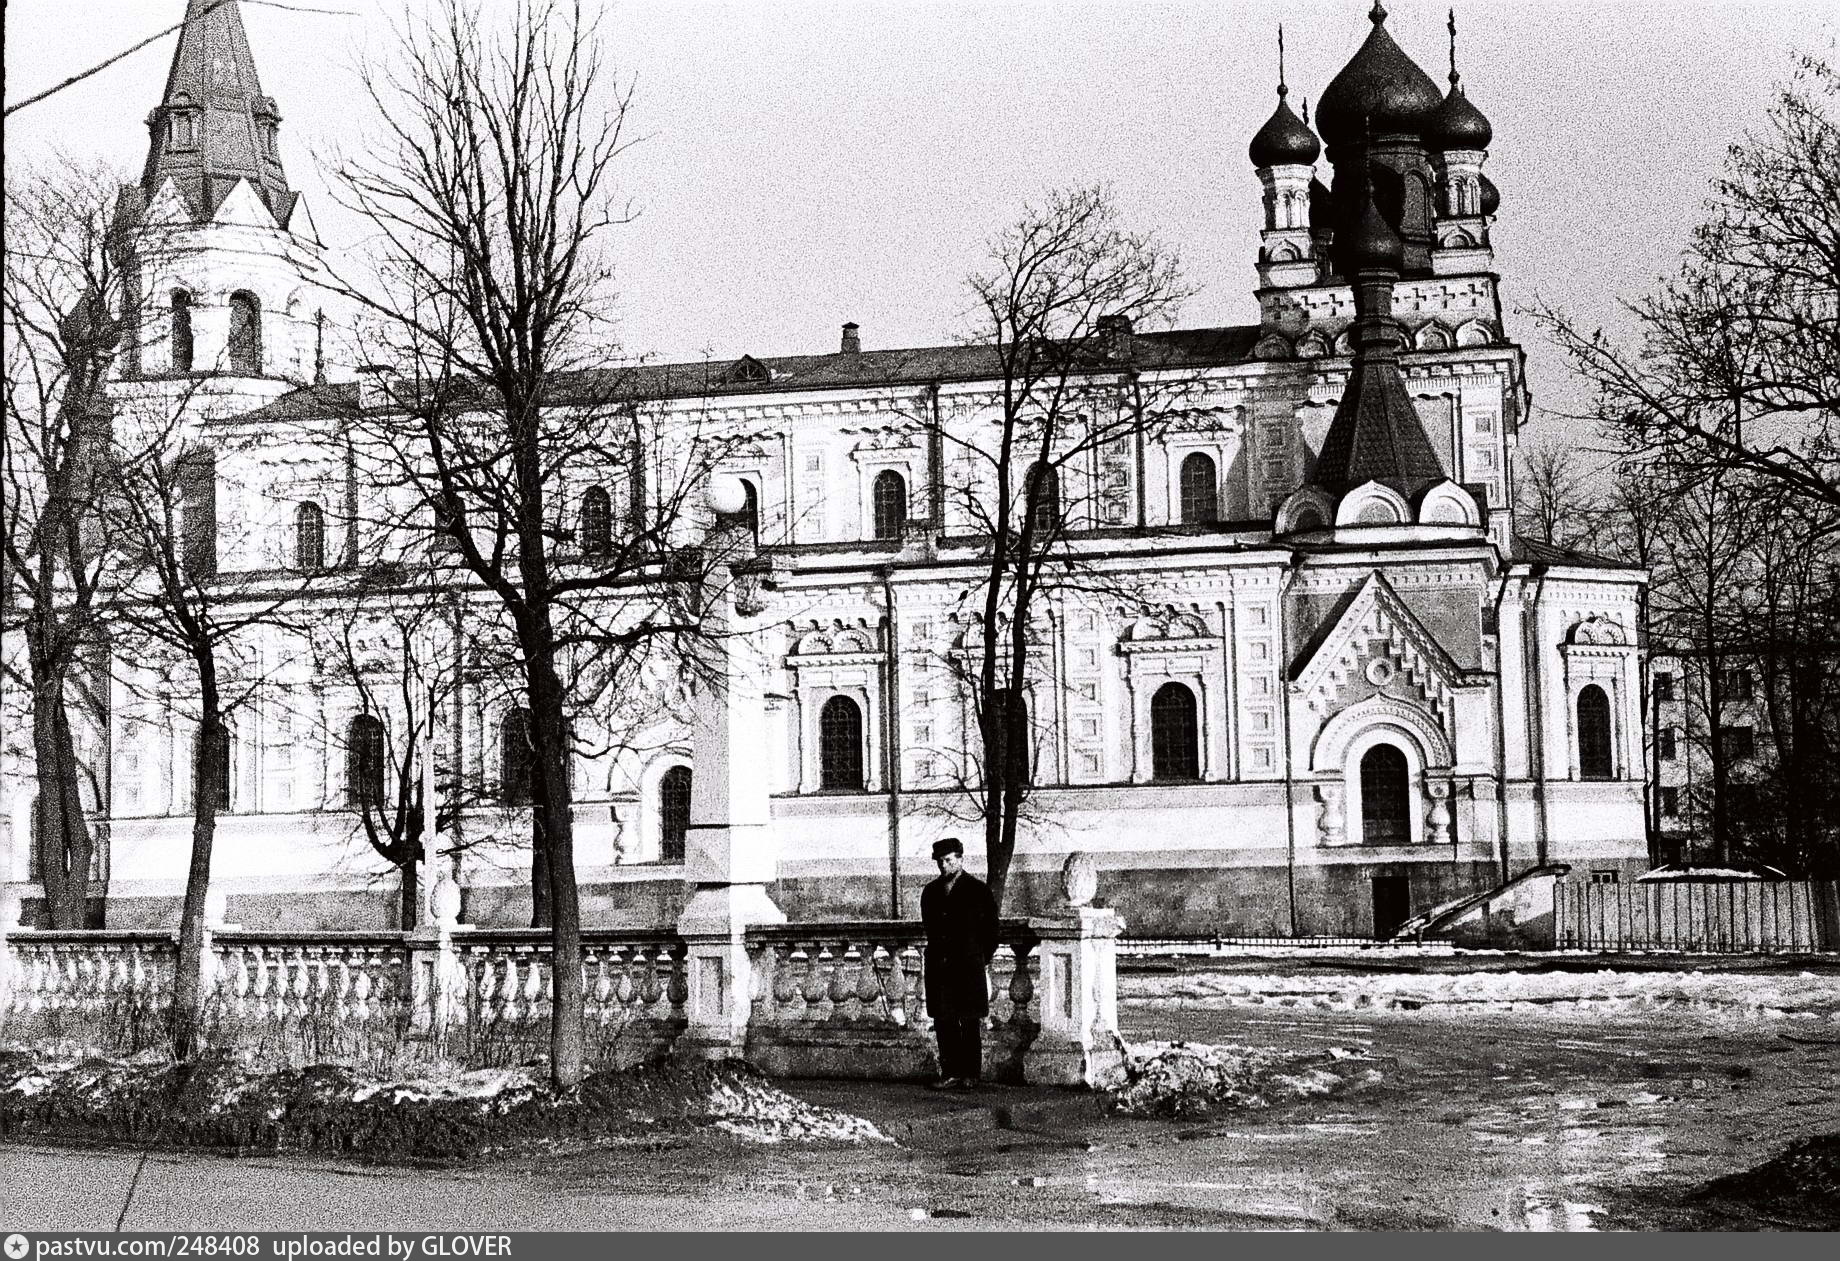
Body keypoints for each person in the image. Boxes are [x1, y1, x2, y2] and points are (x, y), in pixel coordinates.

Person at [920, 836, 999, 1090]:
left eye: (949, 860)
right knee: (944, 1020)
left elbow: (992, 932)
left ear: (960, 859)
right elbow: (930, 929)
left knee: (969, 1020)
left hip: (967, 968)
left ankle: (971, 1074)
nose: (943, 866)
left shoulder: (978, 891)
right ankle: (950, 1072)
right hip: (941, 969)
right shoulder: (931, 892)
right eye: (940, 862)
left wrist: (979, 958)